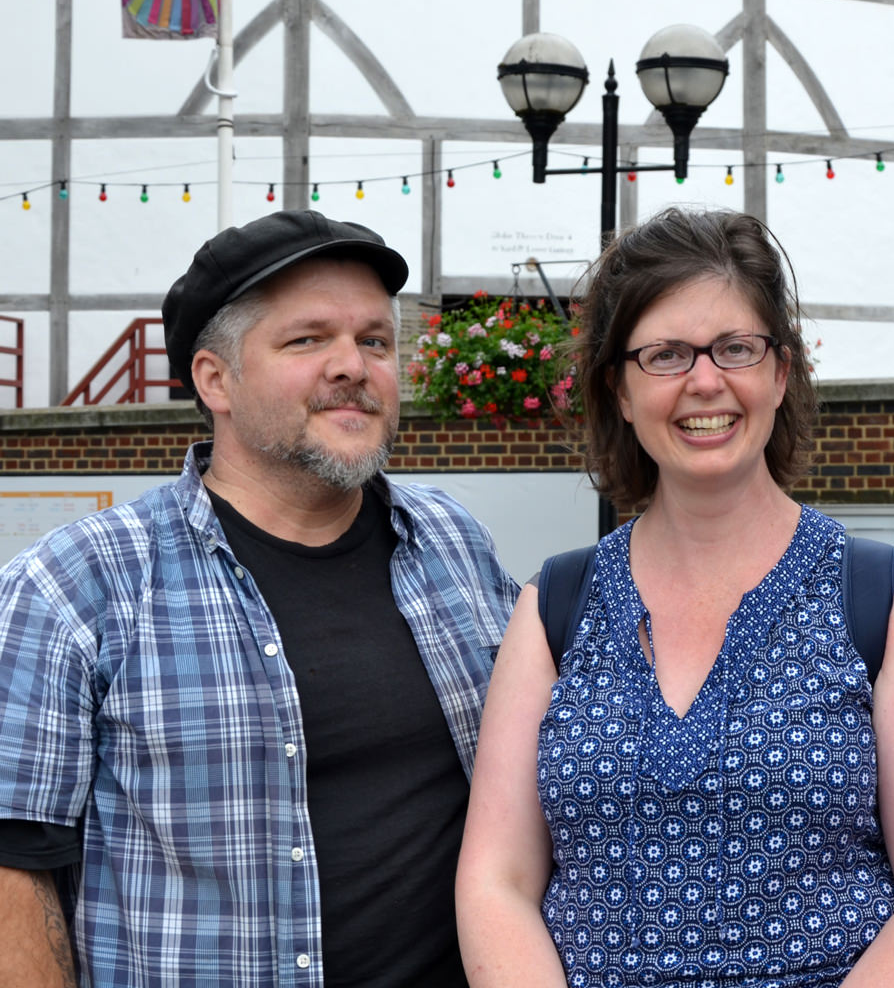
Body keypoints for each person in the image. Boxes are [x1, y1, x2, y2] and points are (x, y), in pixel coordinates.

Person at [455, 207, 894, 987]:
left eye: (736, 348)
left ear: (780, 371)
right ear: (620, 389)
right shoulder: (555, 607)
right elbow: (495, 883)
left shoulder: (876, 597)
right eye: (666, 354)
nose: (705, 381)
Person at [0, 210, 520, 987]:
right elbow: (15, 868)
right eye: (308, 339)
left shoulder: (455, 545)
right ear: (216, 380)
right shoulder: (77, 585)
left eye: (374, 340)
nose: (353, 365)